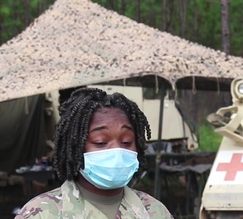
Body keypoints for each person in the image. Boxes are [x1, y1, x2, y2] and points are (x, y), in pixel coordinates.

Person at [15, 87, 174, 219]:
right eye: (101, 142)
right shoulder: (40, 213)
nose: (116, 151)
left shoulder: (155, 211)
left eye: (126, 142)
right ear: (75, 148)